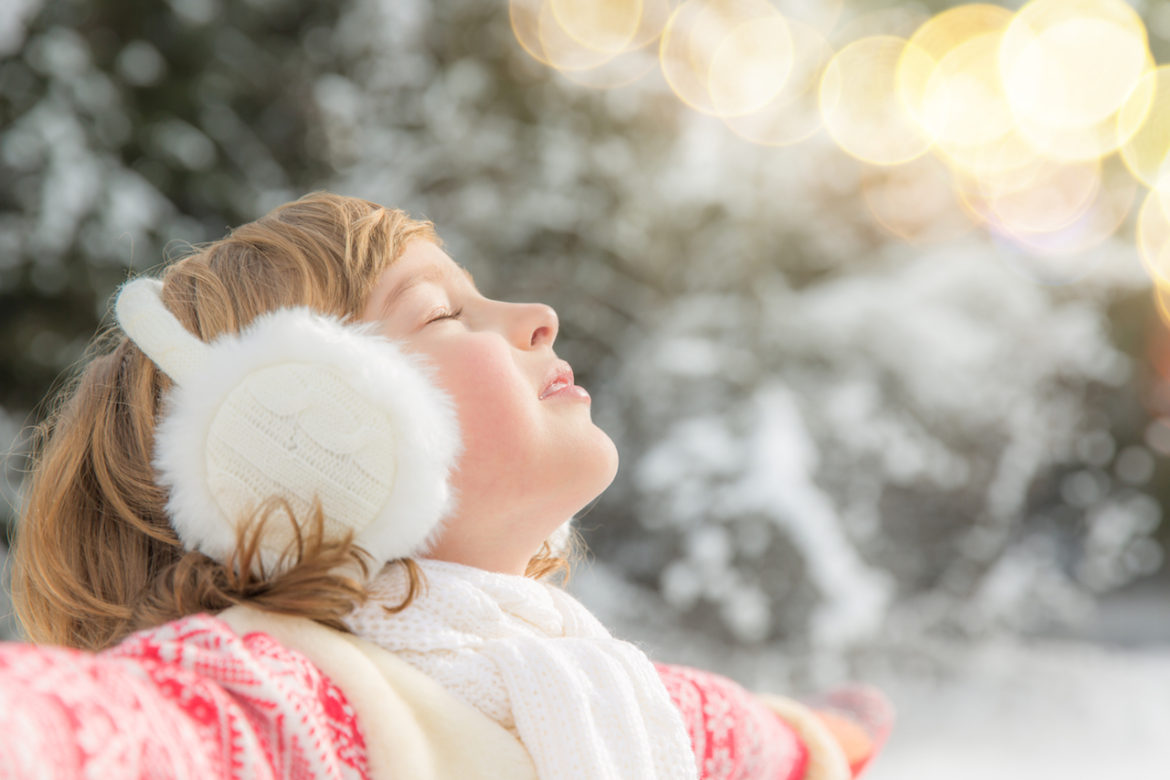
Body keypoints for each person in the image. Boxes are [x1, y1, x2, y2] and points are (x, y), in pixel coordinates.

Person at [3, 192, 890, 779]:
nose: (538, 317)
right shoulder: (282, 702)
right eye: (442, 311)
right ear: (316, 435)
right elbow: (89, 729)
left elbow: (740, 739)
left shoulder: (585, 687)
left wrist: (831, 736)